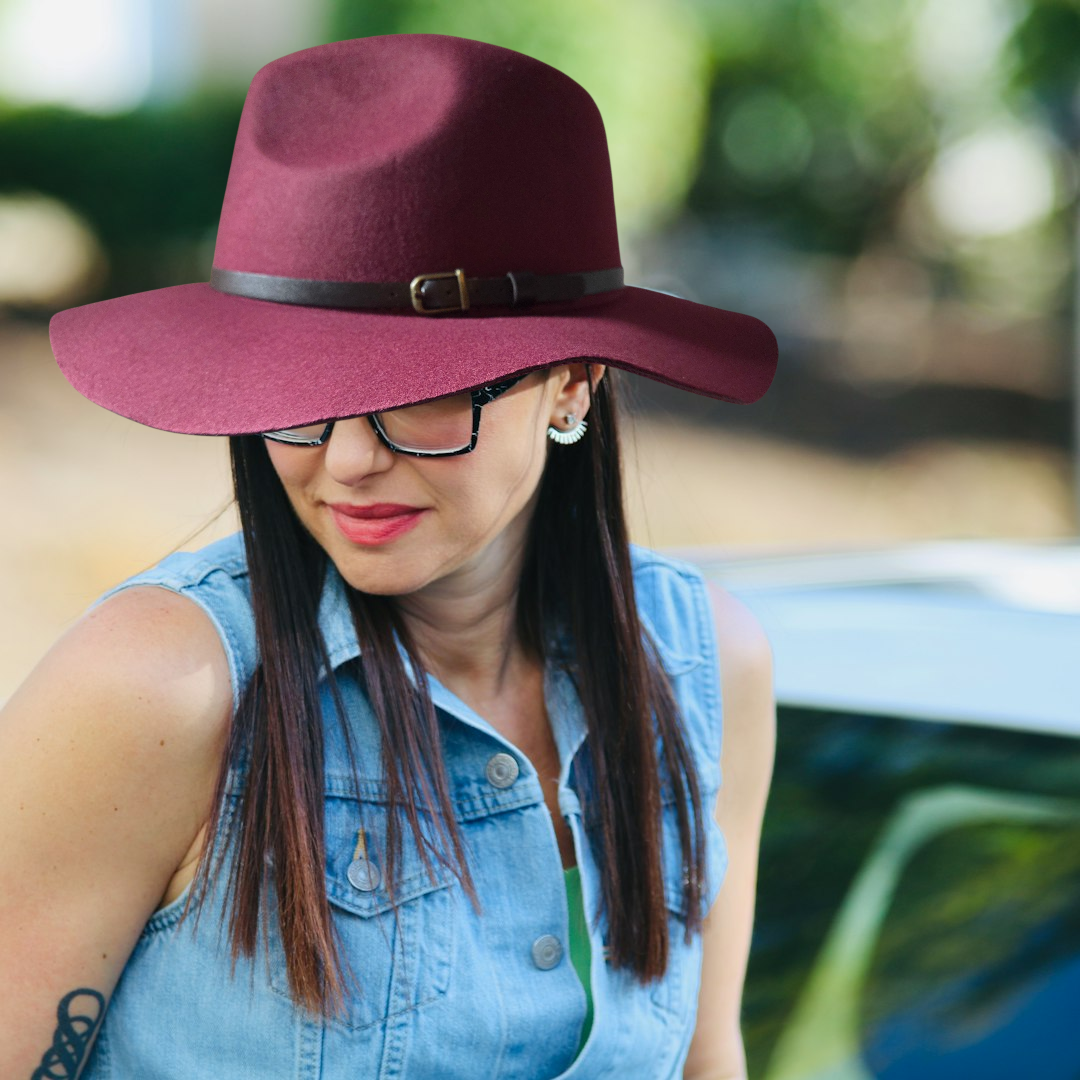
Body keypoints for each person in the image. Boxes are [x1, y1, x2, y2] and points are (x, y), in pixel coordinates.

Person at [3, 33, 779, 1080]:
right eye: (299, 398)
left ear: (572, 384)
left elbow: (707, 1060)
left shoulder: (705, 669)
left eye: (423, 393)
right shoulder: (159, 687)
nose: (348, 463)